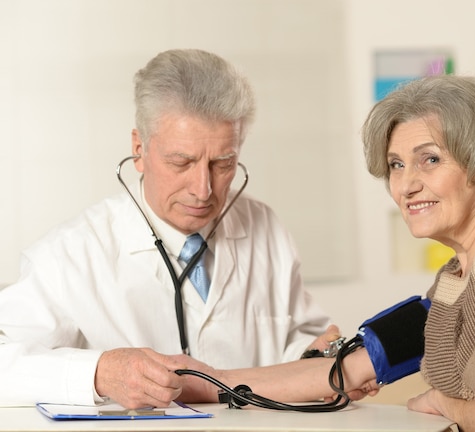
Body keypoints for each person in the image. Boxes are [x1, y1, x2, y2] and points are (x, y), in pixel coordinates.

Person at [172, 74, 475, 431]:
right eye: (395, 164)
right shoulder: (458, 275)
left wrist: (442, 402)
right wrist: (204, 382)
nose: (406, 184)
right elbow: (345, 370)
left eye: (430, 159)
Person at [0, 49, 337, 408]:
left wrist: (313, 355)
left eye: (223, 163)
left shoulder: (265, 227)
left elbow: (299, 336)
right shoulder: (71, 253)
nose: (203, 189)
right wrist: (98, 372)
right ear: (139, 149)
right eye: (182, 162)